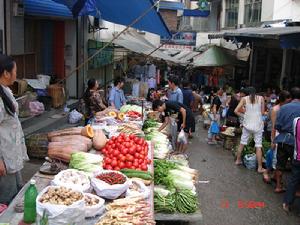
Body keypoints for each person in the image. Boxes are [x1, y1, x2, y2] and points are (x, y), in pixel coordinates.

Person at [0, 54, 29, 204]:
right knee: (6, 198)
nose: (16, 74)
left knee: (16, 192)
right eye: (15, 71)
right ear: (6, 73)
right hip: (4, 158)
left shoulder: (5, 90)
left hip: (11, 153)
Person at [274, 87, 300, 193]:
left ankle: (278, 186)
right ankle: (297, 190)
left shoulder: (284, 108)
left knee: (280, 165)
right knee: (296, 167)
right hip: (297, 142)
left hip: (283, 140)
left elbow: (278, 126)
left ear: (291, 96)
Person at [234, 87, 265, 173]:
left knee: (242, 142)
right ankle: (259, 167)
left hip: (247, 125)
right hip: (258, 125)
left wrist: (245, 116)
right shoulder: (261, 98)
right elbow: (262, 112)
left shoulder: (244, 99)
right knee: (258, 145)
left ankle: (238, 160)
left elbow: (236, 111)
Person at [262, 90, 291, 184]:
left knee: (278, 158)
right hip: (277, 134)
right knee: (273, 156)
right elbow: (274, 126)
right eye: (288, 101)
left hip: (285, 135)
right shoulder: (275, 109)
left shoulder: (287, 108)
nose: (289, 103)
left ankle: (275, 175)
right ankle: (266, 172)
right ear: (282, 100)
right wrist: (273, 140)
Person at [283, 116, 300, 212]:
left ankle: (286, 203)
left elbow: (294, 135)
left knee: (293, 180)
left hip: (297, 156)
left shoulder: (296, 121)